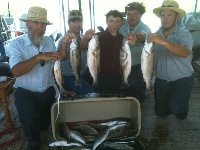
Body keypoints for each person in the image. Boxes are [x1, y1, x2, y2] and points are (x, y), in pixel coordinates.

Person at [8, 6, 63, 150]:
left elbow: (53, 70)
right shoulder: (16, 44)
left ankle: (38, 124)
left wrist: (61, 88)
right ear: (28, 24)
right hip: (26, 93)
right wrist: (38, 57)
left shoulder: (50, 41)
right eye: (36, 23)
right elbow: (15, 72)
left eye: (43, 24)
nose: (40, 27)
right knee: (31, 123)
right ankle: (33, 142)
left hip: (47, 91)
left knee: (45, 125)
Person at [147, 0, 194, 120]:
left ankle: (183, 109)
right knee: (161, 113)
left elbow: (185, 52)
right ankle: (170, 104)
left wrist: (164, 42)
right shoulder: (155, 35)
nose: (165, 18)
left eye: (169, 15)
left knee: (176, 109)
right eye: (163, 15)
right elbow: (149, 59)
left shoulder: (184, 34)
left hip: (182, 80)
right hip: (161, 81)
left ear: (176, 17)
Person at [119, 2, 151, 103]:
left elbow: (142, 35)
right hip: (123, 64)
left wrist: (136, 37)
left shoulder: (145, 28)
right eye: (129, 14)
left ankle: (138, 103)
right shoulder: (122, 28)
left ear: (141, 15)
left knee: (134, 86)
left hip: (139, 66)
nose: (131, 17)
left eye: (135, 14)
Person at [57, 10, 95, 95]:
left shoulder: (83, 37)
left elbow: (83, 46)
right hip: (69, 77)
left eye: (79, 21)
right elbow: (61, 57)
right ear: (68, 23)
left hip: (84, 73)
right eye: (74, 21)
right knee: (91, 93)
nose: (77, 25)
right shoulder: (63, 40)